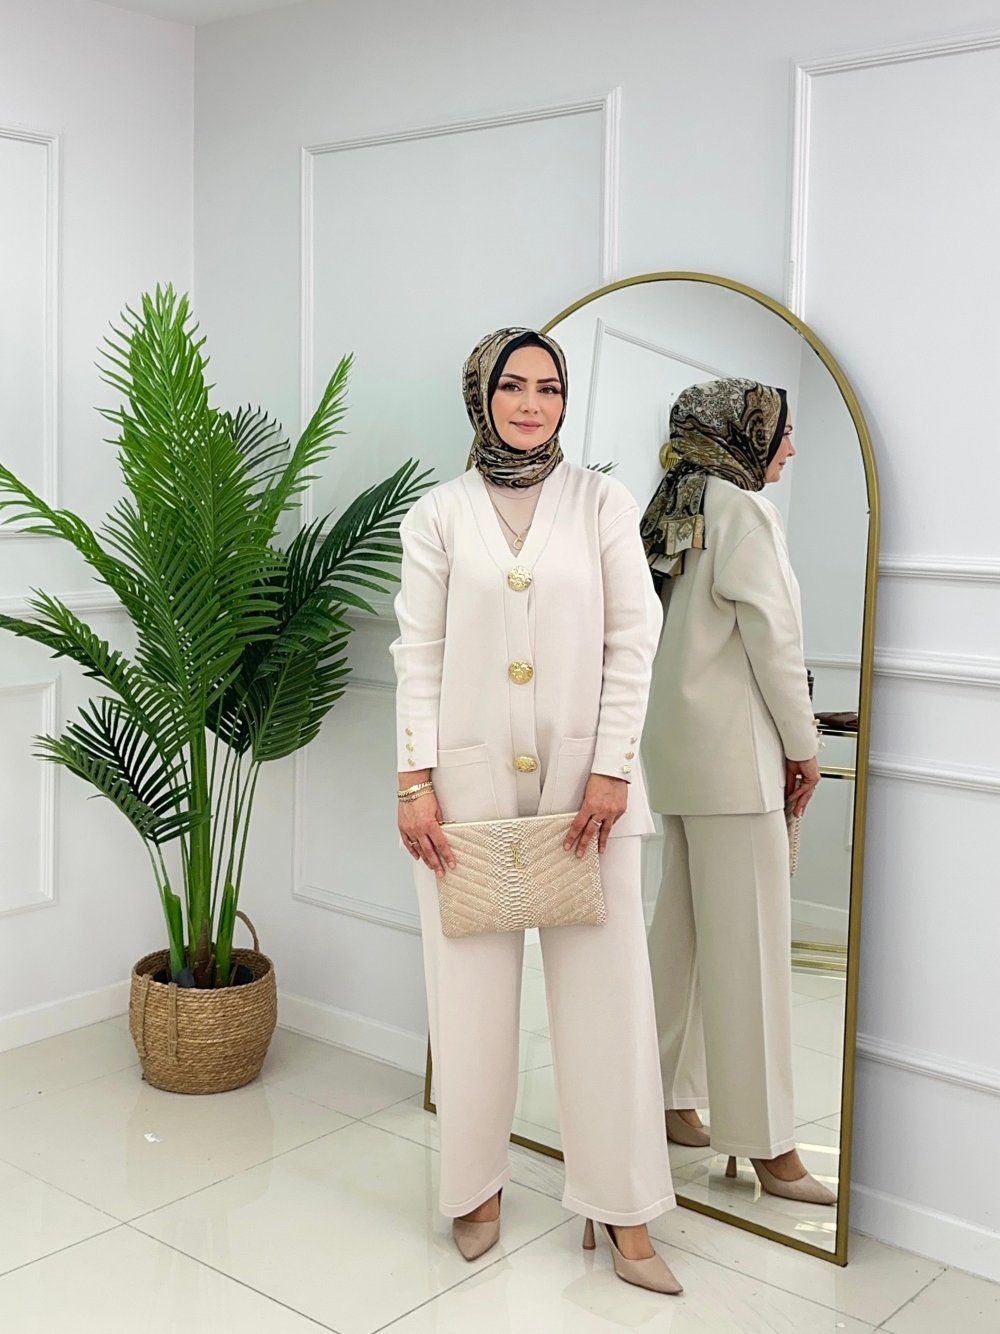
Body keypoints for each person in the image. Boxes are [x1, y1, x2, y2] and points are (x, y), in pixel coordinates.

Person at [391, 327, 681, 1293]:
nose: (530, 403)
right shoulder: (438, 514)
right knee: (469, 999)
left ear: (565, 399)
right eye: (512, 386)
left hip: (587, 793)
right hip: (463, 792)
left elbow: (635, 640)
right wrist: (413, 782)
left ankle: (623, 1205)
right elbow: (418, 654)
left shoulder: (603, 503)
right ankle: (474, 1184)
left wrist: (613, 767)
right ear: (481, 396)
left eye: (549, 387)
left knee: (608, 1001)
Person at [641, 377, 835, 1205]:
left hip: (677, 755)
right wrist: (805, 746)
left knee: (680, 934)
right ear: (745, 432)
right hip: (736, 758)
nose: (789, 445)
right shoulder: (743, 511)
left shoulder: (673, 503)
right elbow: (774, 642)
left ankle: (661, 1095)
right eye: (781, 430)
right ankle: (766, 1146)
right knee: (751, 951)